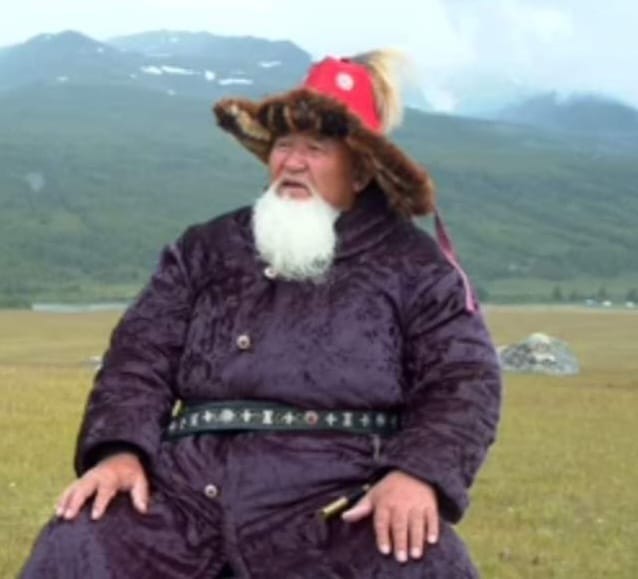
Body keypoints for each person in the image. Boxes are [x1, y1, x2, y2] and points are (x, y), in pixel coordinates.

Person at [21, 50, 502, 578]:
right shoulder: (206, 249)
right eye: (284, 145)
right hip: (187, 500)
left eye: (315, 149)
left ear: (361, 170)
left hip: (337, 506)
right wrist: (119, 451)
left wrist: (417, 474)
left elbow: (464, 379)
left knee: (423, 562)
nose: (292, 162)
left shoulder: (415, 267)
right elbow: (139, 357)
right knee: (81, 539)